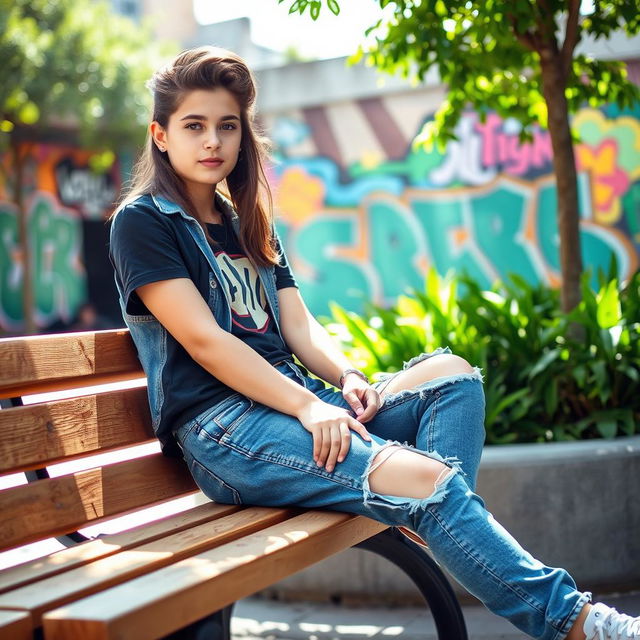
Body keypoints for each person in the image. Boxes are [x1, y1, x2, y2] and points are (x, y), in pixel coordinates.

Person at [108, 46, 640, 640]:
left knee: (453, 379)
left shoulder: (243, 219)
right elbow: (205, 343)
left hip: (299, 404)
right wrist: (309, 406)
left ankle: (429, 510)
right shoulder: (144, 221)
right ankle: (577, 623)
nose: (213, 142)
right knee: (428, 483)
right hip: (227, 430)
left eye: (226, 126)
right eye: (194, 126)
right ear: (161, 135)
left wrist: (347, 379)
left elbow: (300, 326)